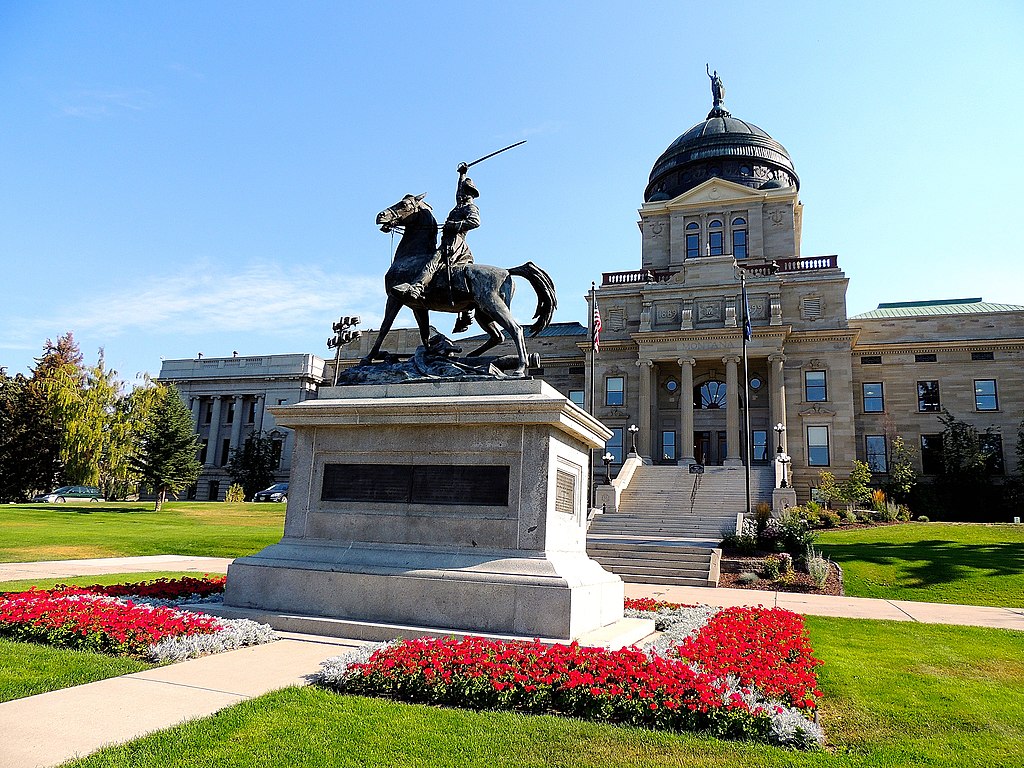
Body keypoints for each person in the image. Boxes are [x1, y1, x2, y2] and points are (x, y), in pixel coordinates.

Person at [393, 162, 479, 333]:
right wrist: (462, 174)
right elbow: (458, 189)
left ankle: (416, 288)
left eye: (465, 191)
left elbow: (475, 222)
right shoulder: (459, 205)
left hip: (456, 243)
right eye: (462, 191)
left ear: (470, 194)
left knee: (433, 261)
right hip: (448, 240)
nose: (461, 194)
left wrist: (454, 225)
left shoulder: (470, 207)